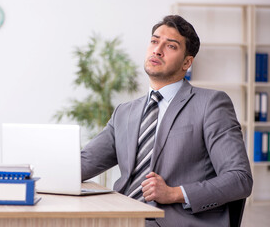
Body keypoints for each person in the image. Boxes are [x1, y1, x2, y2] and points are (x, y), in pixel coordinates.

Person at [81, 15, 253, 227]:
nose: (157, 50)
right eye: (154, 41)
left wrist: (174, 193)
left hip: (173, 221)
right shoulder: (124, 112)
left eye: (170, 46)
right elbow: (85, 162)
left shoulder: (211, 104)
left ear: (187, 62)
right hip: (123, 214)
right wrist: (34, 171)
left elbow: (239, 179)